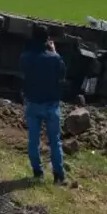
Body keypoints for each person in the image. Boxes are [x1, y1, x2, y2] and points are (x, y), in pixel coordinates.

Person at [20, 25, 67, 185]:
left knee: (33, 140)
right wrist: (54, 52)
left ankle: (37, 172)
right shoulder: (54, 58)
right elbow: (62, 74)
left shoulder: (26, 57)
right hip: (51, 104)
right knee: (55, 140)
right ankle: (59, 176)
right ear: (48, 39)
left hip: (33, 103)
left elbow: (23, 72)